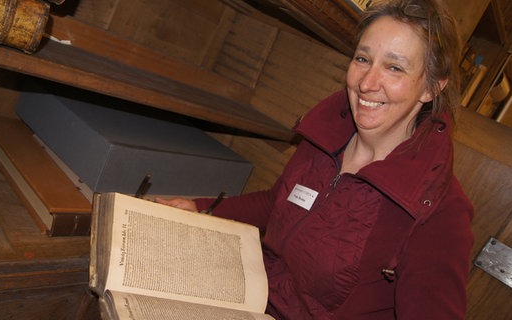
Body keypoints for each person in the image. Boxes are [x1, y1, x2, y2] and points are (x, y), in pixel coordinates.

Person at [157, 0, 474, 318]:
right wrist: (200, 209)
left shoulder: (441, 211)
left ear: (431, 88)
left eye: (394, 68)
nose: (366, 83)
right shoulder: (325, 137)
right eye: (363, 59)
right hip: (244, 300)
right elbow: (276, 203)